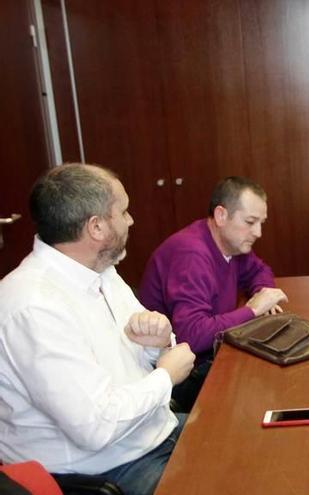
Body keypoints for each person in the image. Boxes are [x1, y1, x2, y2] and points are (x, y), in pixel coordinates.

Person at [0, 164, 196, 495]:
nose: (131, 220)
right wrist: (165, 376)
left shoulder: (101, 272)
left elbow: (138, 356)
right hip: (108, 468)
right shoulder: (32, 307)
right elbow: (95, 427)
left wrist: (157, 343)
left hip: (154, 432)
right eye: (124, 211)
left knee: (253, 442)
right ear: (96, 227)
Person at [139, 177, 288, 358]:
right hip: (182, 368)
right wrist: (253, 310)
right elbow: (190, 335)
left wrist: (263, 293)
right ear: (221, 216)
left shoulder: (232, 243)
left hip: (213, 349)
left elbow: (259, 270)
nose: (258, 233)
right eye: (250, 222)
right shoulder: (191, 255)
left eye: (261, 223)